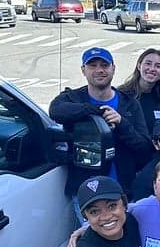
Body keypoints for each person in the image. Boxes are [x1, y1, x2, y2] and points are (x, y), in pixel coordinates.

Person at [50, 47, 151, 211]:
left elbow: (145, 148)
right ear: (83, 70)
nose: (99, 70)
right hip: (86, 194)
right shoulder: (72, 98)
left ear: (113, 68)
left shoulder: (130, 104)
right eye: (92, 65)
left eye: (104, 65)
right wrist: (96, 111)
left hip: (123, 193)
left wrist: (121, 123)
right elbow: (55, 110)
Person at [118, 48, 160, 137]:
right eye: (148, 63)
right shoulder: (122, 95)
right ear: (139, 66)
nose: (152, 69)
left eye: (158, 66)